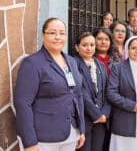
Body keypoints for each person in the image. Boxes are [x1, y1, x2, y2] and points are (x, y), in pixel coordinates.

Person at [14, 18, 85, 151]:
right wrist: (29, 142)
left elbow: (78, 95)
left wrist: (81, 129)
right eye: (52, 33)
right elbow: (23, 103)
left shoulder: (71, 61)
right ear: (43, 35)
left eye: (62, 33)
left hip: (70, 134)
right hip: (43, 138)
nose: (58, 37)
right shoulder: (33, 63)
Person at [74, 32, 111, 151]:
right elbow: (79, 91)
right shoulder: (73, 64)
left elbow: (106, 91)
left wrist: (105, 114)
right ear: (77, 47)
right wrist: (96, 114)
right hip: (84, 120)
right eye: (85, 45)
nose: (89, 48)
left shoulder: (100, 65)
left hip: (101, 121)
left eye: (92, 45)